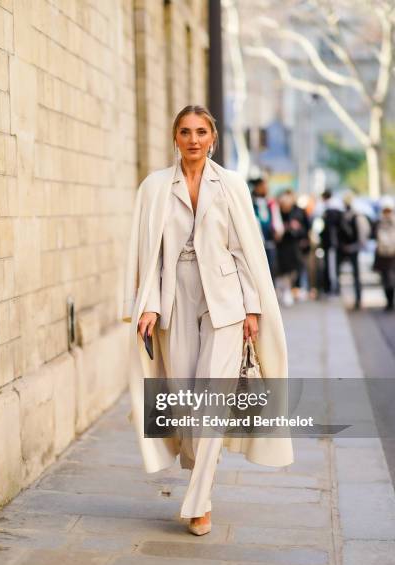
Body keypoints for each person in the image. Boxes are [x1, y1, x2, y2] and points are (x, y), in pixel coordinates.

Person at [122, 105, 293, 536]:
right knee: (184, 403)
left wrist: (252, 309)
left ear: (213, 138)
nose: (194, 139)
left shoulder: (231, 185)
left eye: (201, 132)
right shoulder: (156, 187)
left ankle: (199, 503)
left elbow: (244, 251)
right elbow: (150, 255)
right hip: (175, 298)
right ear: (174, 137)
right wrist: (148, 304)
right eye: (185, 131)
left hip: (226, 302)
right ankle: (203, 485)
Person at [336, 191, 370, 309]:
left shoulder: (356, 216)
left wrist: (353, 247)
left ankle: (358, 299)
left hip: (352, 248)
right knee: (343, 274)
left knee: (355, 275)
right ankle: (345, 297)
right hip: (347, 248)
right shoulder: (344, 215)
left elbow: (362, 235)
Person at [275, 189, 309, 306]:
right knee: (284, 269)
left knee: (295, 268)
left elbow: (305, 226)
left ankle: (293, 289)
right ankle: (287, 290)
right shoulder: (278, 210)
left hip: (294, 244)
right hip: (282, 244)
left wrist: (301, 233)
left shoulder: (298, 210)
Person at [250, 177, 284, 280]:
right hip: (256, 243)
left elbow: (276, 219)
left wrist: (278, 231)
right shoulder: (250, 202)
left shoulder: (270, 204)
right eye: (263, 186)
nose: (266, 188)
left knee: (271, 271)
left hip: (270, 242)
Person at [373, 196, 395, 311]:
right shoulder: (378, 222)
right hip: (382, 254)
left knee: (391, 278)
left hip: (392, 255)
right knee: (385, 278)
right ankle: (389, 300)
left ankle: (391, 300)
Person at [320, 189, 343, 295]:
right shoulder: (336, 209)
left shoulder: (329, 211)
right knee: (333, 267)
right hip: (333, 243)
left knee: (331, 267)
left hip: (331, 243)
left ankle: (332, 288)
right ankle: (333, 287)